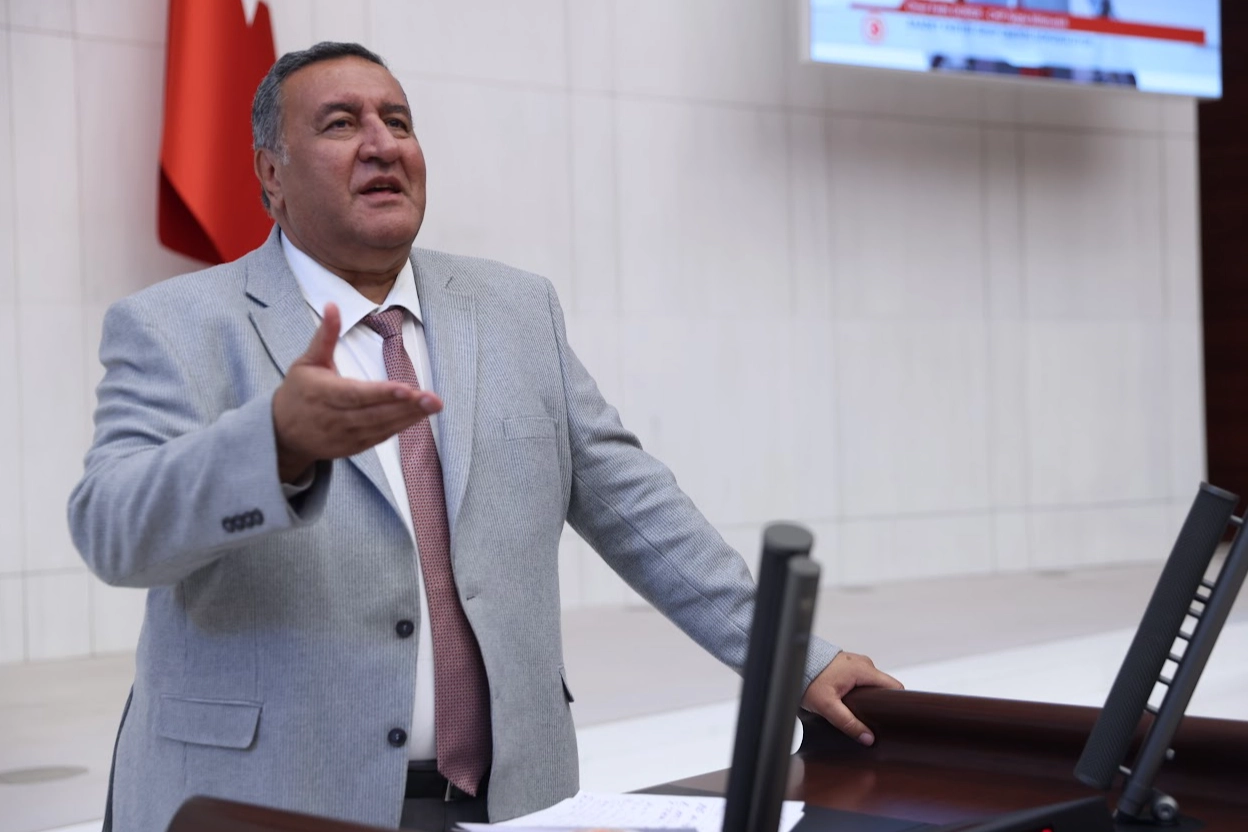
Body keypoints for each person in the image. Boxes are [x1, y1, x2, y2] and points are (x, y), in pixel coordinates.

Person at [68, 42, 901, 832]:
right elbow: (112, 530)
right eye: (341, 124)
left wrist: (792, 658)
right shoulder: (176, 325)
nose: (381, 145)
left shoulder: (515, 310)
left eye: (398, 121)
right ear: (270, 174)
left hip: (507, 801)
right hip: (267, 802)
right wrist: (275, 446)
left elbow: (639, 510)